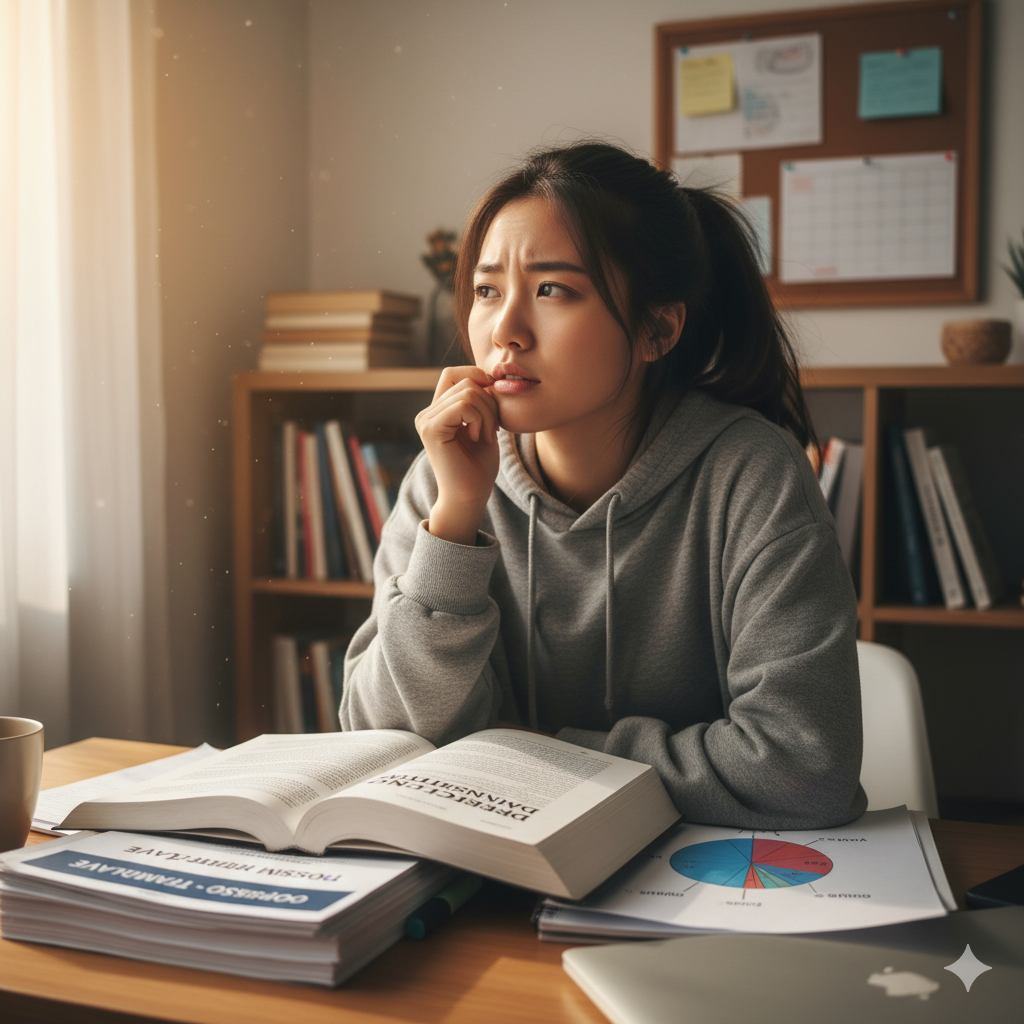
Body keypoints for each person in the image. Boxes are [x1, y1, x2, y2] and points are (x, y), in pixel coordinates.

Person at [341, 142, 866, 830]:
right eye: (487, 290)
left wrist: (530, 754)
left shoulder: (751, 475)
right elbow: (382, 741)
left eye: (553, 289)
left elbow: (803, 770)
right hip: (498, 874)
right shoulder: (447, 473)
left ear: (657, 329)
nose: (505, 330)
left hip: (699, 881)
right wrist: (457, 520)